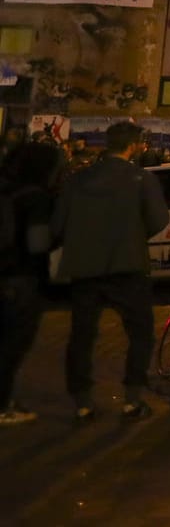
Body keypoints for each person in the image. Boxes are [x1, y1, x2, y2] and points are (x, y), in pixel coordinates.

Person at [53, 121, 170, 421]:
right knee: (140, 331)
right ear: (133, 145)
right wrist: (133, 235)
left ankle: (82, 399)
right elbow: (158, 219)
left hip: (85, 265)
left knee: (82, 334)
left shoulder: (78, 179)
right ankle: (132, 397)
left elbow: (59, 223)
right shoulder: (140, 179)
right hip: (127, 263)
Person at [1, 142, 60, 423]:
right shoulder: (36, 197)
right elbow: (38, 243)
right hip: (20, 277)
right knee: (12, 344)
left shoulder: (6, 189)